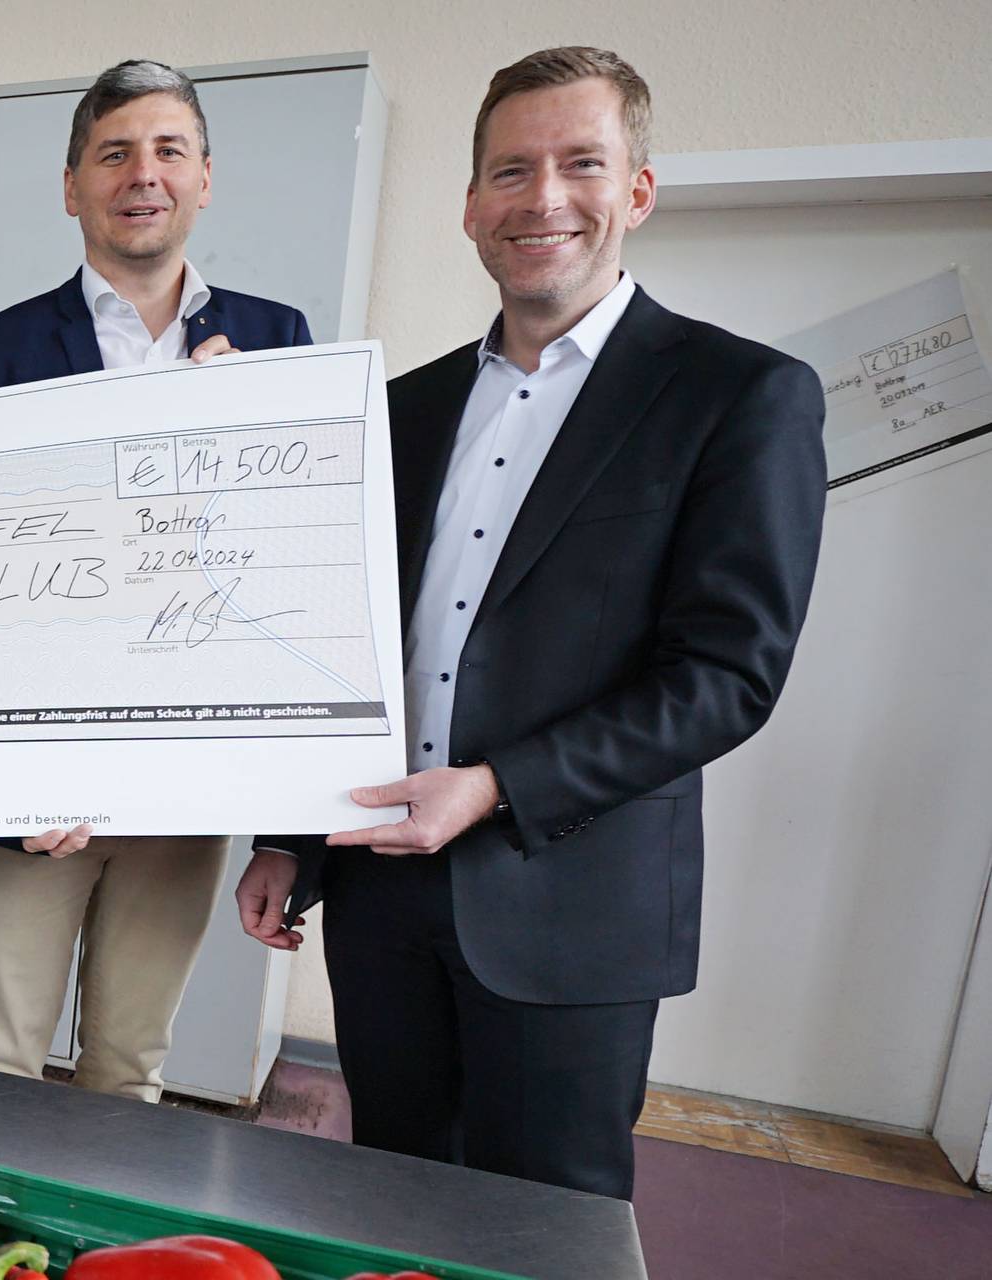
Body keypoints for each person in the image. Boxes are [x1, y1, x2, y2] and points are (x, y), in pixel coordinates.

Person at [236, 47, 827, 1199]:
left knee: (548, 1224)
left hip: (572, 899)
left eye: (581, 164)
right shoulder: (396, 410)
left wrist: (497, 780)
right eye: (511, 170)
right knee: (394, 1195)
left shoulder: (738, 395)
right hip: (381, 891)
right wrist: (289, 839)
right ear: (470, 207)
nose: (543, 197)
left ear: (638, 192)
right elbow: (341, 643)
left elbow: (727, 674)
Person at [0, 60, 316, 1102]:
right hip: (31, 788)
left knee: (130, 1069)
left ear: (203, 178)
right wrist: (6, 779)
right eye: (114, 153)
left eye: (168, 150)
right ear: (73, 186)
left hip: (183, 782)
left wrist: (286, 823)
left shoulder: (280, 346)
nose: (142, 174)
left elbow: (298, 579)